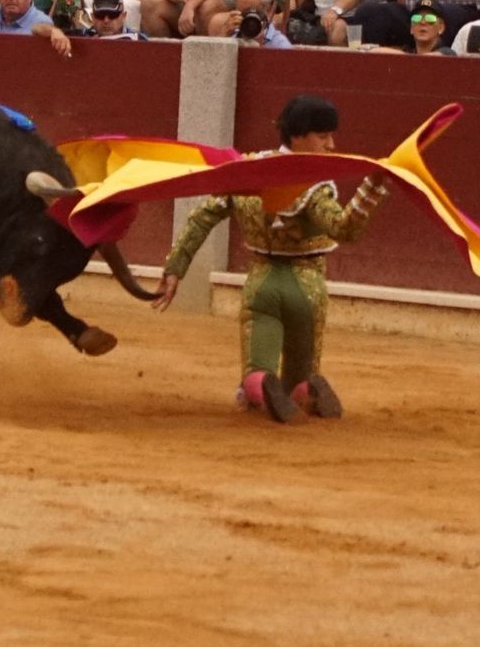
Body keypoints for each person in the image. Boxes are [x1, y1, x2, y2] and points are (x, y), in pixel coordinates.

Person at [154, 94, 387, 424]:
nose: (331, 144)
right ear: (298, 136)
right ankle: (305, 391)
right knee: (301, 373)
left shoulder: (247, 171)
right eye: (323, 136)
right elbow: (344, 229)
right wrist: (372, 188)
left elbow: (201, 217)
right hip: (307, 290)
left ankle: (259, 387)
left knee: (257, 368)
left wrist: (175, 267)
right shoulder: (313, 188)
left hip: (261, 285)